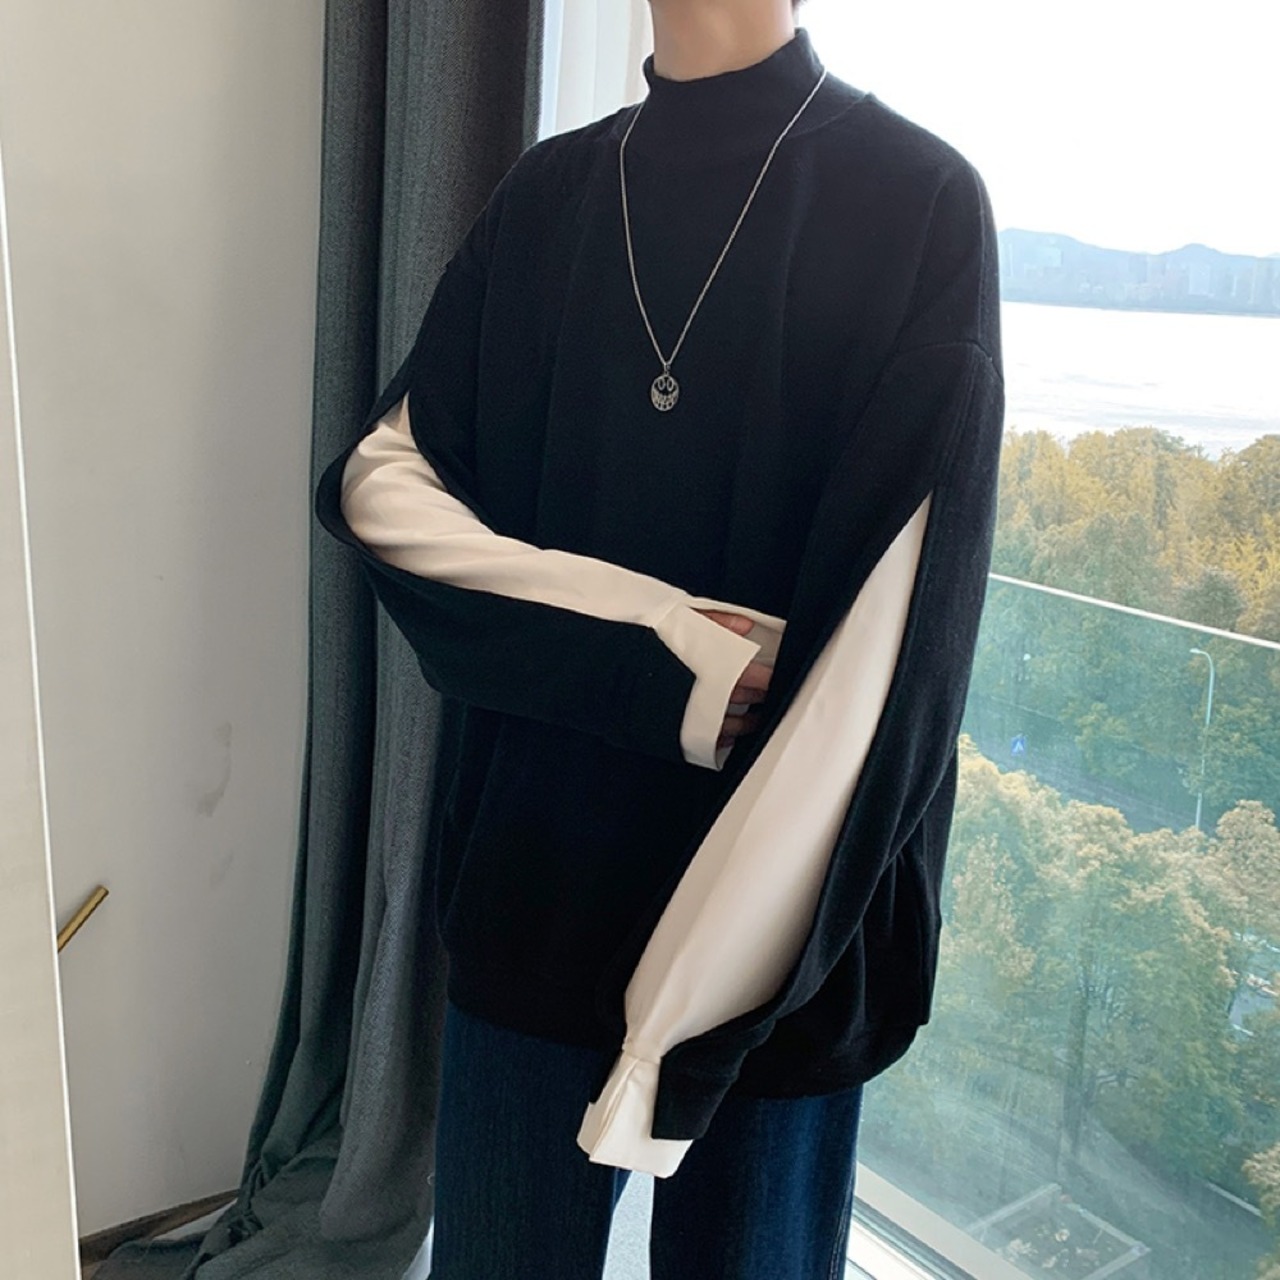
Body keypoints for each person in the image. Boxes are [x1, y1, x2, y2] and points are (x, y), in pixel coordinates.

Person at [314, 1, 1005, 1276]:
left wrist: (704, 993)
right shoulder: (548, 195)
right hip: (537, 876)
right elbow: (380, 489)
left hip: (786, 913)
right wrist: (662, 644)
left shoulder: (916, 199)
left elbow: (898, 646)